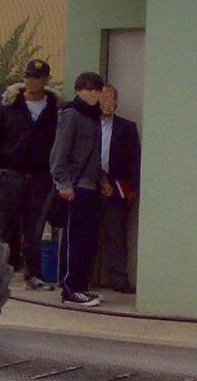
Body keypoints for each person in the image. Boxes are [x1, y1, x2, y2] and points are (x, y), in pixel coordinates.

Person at [0, 58, 59, 290]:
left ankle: (33, 275)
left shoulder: (54, 109)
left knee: (34, 229)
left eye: (37, 78)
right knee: (3, 227)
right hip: (10, 175)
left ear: (46, 80)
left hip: (40, 176)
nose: (31, 81)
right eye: (28, 77)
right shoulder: (7, 106)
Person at [50, 71, 106, 306]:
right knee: (74, 239)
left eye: (97, 90)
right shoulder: (71, 114)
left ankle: (82, 285)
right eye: (88, 89)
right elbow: (59, 152)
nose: (93, 94)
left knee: (87, 239)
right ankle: (70, 288)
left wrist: (102, 179)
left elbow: (95, 156)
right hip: (75, 186)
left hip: (91, 186)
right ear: (78, 90)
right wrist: (63, 183)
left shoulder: (94, 117)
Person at [96, 84, 141, 293]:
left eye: (111, 98)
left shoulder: (127, 128)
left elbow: (135, 160)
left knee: (116, 234)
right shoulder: (86, 123)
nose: (107, 102)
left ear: (116, 102)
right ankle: (80, 278)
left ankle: (119, 279)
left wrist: (134, 188)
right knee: (85, 233)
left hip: (117, 187)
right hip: (89, 183)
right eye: (103, 97)